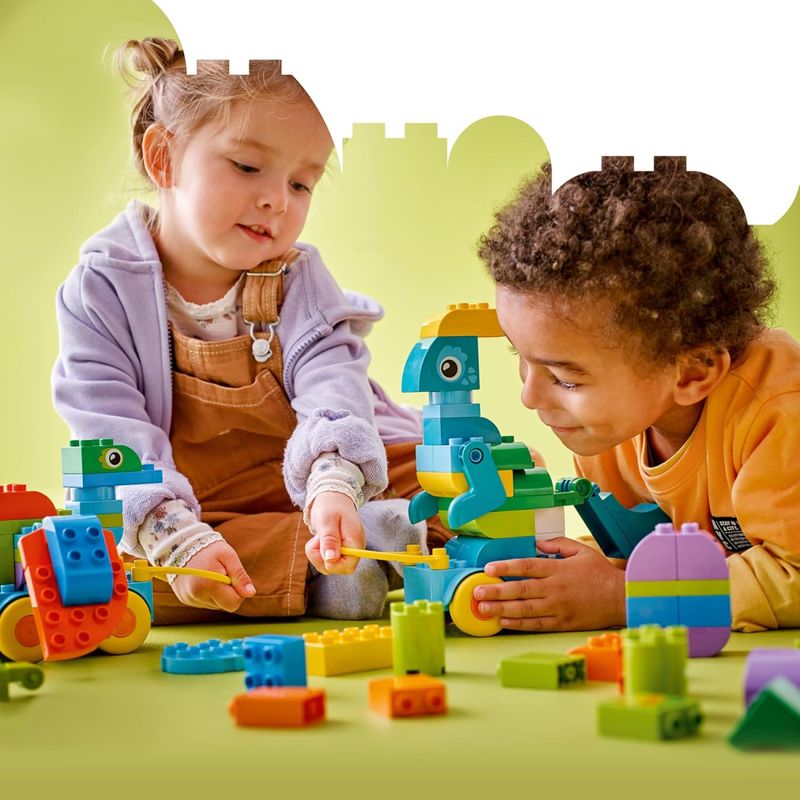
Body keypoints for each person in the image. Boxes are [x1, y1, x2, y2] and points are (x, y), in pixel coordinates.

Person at [52, 37, 440, 624]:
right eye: (248, 166)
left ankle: (348, 535)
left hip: (314, 475)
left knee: (473, 473)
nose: (276, 201)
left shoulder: (297, 277)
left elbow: (334, 386)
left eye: (301, 184)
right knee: (122, 571)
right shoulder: (100, 291)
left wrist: (334, 484)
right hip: (200, 504)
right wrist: (176, 536)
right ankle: (346, 562)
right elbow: (111, 435)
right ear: (164, 158)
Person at [474, 155, 800, 633]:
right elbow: (640, 555)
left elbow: (793, 576)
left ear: (691, 372)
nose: (529, 396)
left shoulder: (778, 411)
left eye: (566, 379)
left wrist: (623, 598)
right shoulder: (607, 435)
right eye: (519, 356)